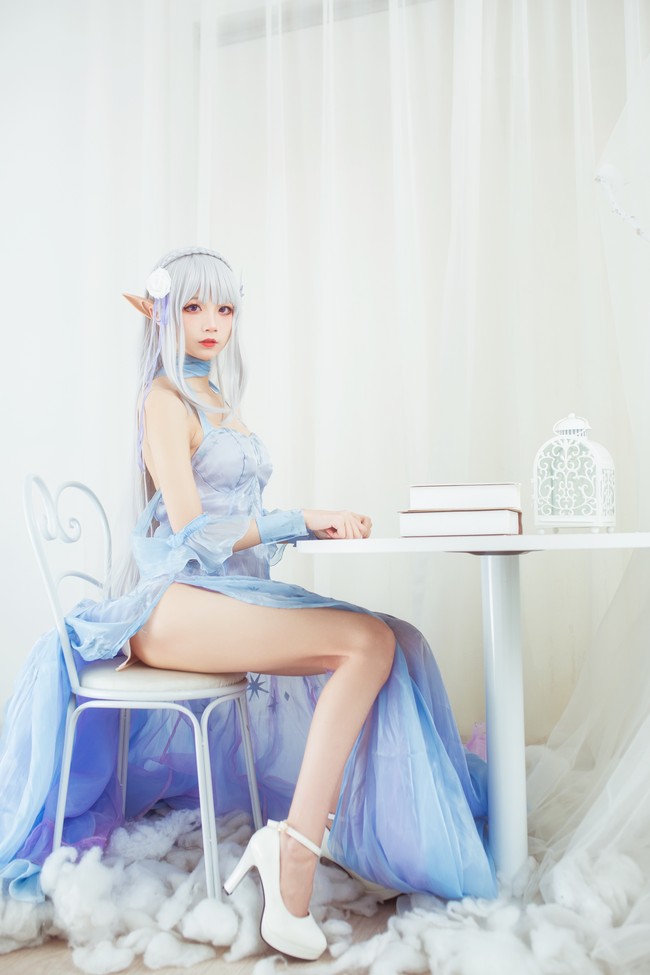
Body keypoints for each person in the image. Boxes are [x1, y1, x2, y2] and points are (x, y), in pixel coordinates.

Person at [0, 246, 496, 961]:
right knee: (367, 643)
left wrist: (302, 524)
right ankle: (294, 856)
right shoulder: (164, 400)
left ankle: (387, 830)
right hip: (173, 603)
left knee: (399, 639)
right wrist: (300, 519)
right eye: (193, 306)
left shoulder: (217, 401)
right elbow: (192, 531)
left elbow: (234, 528)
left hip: (223, 594)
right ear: (162, 315)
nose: (212, 322)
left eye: (225, 308)